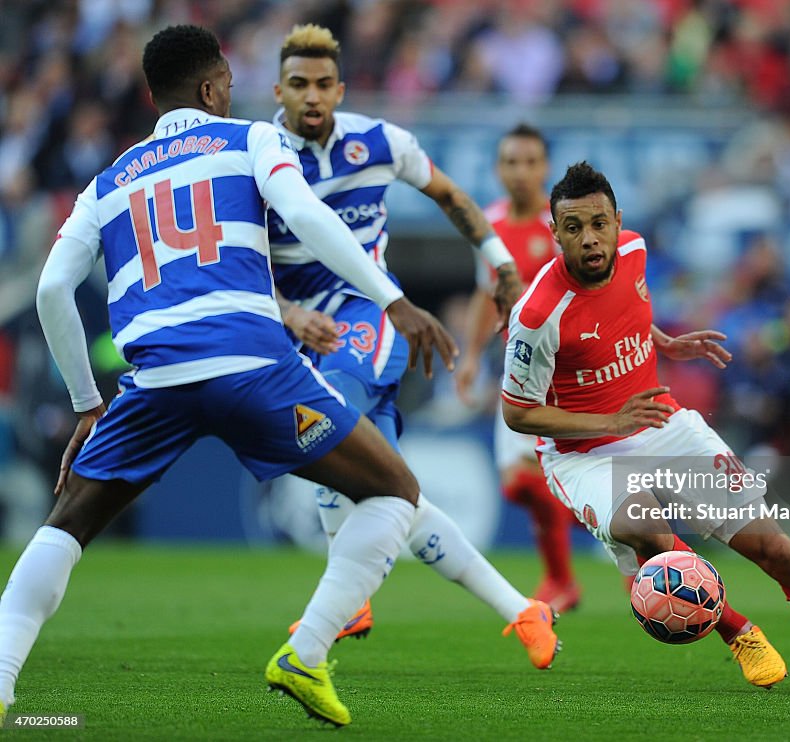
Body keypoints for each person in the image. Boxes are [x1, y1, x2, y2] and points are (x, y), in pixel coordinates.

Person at [0, 24, 553, 730]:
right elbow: (302, 212)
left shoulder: (108, 181)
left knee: (65, 526)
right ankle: (309, 650)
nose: (235, 91)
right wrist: (395, 299)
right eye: (228, 81)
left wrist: (86, 403)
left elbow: (51, 290)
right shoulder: (250, 140)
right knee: (394, 490)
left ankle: (4, 685)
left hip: (154, 376)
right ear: (210, 89)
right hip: (253, 365)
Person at [501, 161, 790, 696]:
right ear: (554, 233)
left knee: (779, 550)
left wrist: (663, 343)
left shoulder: (634, 251)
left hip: (661, 423)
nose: (590, 239)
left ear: (617, 220)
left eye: (599, 223)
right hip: (585, 454)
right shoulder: (536, 316)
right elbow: (517, 412)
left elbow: (623, 308)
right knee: (646, 528)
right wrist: (611, 420)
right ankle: (738, 632)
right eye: (573, 228)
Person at [266, 24, 558, 669]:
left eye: (323, 84)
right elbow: (240, 263)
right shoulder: (257, 163)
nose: (312, 96)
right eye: (298, 85)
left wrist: (497, 258)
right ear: (277, 90)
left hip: (370, 314)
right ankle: (522, 611)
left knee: (328, 428)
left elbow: (451, 195)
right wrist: (287, 314)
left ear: (339, 89)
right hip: (302, 337)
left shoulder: (378, 142)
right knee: (393, 494)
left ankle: (332, 616)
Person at [455, 123, 580, 611]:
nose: (521, 172)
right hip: (515, 368)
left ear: (546, 167)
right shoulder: (488, 224)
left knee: (533, 478)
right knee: (517, 484)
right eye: (511, 162)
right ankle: (567, 573)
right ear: (498, 169)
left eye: (531, 162)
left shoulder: (565, 225)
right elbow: (487, 294)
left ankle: (565, 578)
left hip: (564, 373)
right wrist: (468, 357)